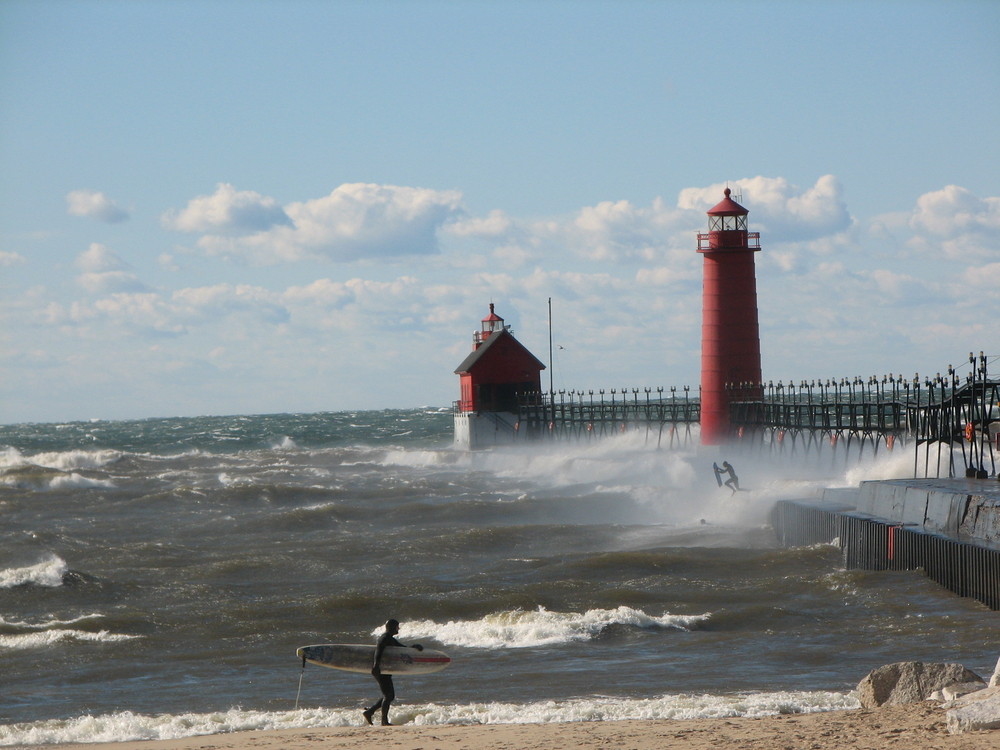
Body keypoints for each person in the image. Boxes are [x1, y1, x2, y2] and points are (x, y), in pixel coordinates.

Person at [363, 618, 423, 726]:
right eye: (397, 626)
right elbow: (378, 651)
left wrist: (413, 648)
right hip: (380, 670)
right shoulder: (384, 638)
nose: (398, 628)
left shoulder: (390, 638)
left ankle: (370, 712)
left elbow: (401, 649)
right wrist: (376, 666)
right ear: (392, 627)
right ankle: (383, 721)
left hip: (385, 670)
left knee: (389, 695)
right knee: (388, 695)